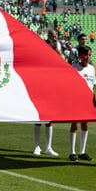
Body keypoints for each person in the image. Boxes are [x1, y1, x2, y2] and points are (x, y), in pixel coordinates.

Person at [33, 29, 60, 157]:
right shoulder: (39, 60)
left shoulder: (54, 60)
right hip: (39, 89)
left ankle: (48, 146)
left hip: (51, 89)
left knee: (50, 119)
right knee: (38, 118)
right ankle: (37, 146)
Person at [69, 46, 96, 162]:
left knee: (85, 124)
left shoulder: (91, 68)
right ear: (80, 55)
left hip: (88, 100)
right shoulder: (75, 68)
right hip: (77, 100)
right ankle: (72, 152)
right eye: (85, 55)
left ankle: (82, 152)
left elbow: (93, 84)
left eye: (89, 55)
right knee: (74, 125)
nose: (88, 57)